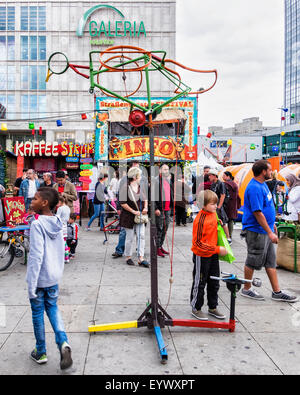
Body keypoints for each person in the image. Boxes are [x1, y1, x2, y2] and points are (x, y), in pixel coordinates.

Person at [26, 187, 72, 369]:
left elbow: (36, 256)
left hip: (40, 279)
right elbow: (65, 209)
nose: (31, 201)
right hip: (53, 277)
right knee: (53, 310)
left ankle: (41, 351)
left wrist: (31, 283)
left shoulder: (37, 225)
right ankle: (63, 342)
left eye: (35, 198)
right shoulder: (58, 222)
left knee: (37, 314)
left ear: (44, 203)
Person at [241, 160, 298, 302]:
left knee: (271, 262)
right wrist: (270, 231)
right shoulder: (254, 187)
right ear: (263, 172)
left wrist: (271, 225)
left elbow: (266, 207)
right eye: (270, 169)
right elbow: (257, 212)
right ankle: (246, 288)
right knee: (252, 259)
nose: (272, 172)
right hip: (256, 230)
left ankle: (276, 292)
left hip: (265, 230)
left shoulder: (263, 185)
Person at [190, 189, 227, 321]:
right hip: (202, 255)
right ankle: (196, 307)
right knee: (200, 282)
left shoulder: (213, 214)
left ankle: (212, 307)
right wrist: (217, 249)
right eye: (212, 204)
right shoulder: (200, 220)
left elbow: (213, 224)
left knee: (214, 280)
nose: (216, 206)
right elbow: (198, 243)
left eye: (216, 204)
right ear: (203, 205)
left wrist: (218, 223)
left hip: (212, 254)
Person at [119, 167, 149, 268]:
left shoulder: (141, 187)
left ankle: (141, 257)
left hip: (140, 215)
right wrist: (133, 211)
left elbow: (145, 198)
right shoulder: (125, 188)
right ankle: (128, 256)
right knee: (130, 238)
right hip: (128, 216)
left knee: (142, 236)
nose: (141, 177)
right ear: (135, 177)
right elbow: (122, 203)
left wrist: (145, 207)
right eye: (139, 175)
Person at [155, 164, 174, 257]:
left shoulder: (168, 180)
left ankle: (160, 245)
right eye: (165, 169)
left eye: (167, 169)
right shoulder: (156, 181)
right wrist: (155, 208)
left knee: (165, 229)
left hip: (167, 208)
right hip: (160, 208)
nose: (166, 171)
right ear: (160, 170)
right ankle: (157, 248)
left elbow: (170, 193)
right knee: (159, 228)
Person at [208, 168, 231, 242]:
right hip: (213, 206)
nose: (209, 177)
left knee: (223, 221)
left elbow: (223, 195)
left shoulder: (221, 183)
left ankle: (228, 238)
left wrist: (219, 206)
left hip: (218, 206)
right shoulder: (213, 184)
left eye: (210, 175)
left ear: (214, 176)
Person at [222, 171, 240, 242]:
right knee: (231, 220)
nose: (223, 177)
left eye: (224, 176)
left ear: (228, 176)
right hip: (233, 205)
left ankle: (226, 235)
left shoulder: (225, 184)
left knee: (224, 221)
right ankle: (230, 235)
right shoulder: (234, 184)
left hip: (226, 205)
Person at [56, 195, 71, 264]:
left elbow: (57, 218)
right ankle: (66, 257)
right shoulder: (67, 208)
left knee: (61, 243)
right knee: (64, 242)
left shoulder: (60, 208)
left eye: (57, 202)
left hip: (60, 227)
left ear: (60, 201)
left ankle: (63, 258)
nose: (56, 204)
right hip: (65, 226)